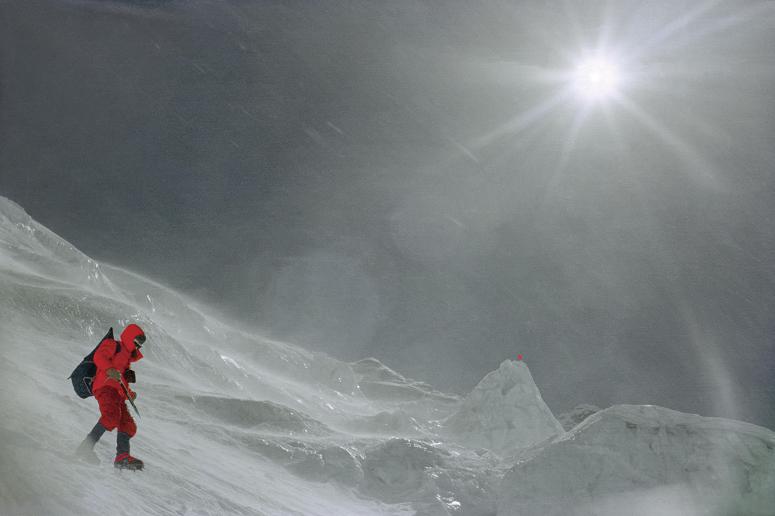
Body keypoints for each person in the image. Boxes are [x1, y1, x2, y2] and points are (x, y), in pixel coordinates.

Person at [75, 324, 146, 470]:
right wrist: (109, 369)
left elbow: (122, 381)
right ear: (129, 337)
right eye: (136, 343)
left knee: (128, 425)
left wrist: (130, 394)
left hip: (118, 395)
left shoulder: (127, 361)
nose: (137, 348)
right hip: (104, 388)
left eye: (139, 346)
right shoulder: (113, 345)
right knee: (111, 417)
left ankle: (122, 457)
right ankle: (85, 448)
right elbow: (99, 357)